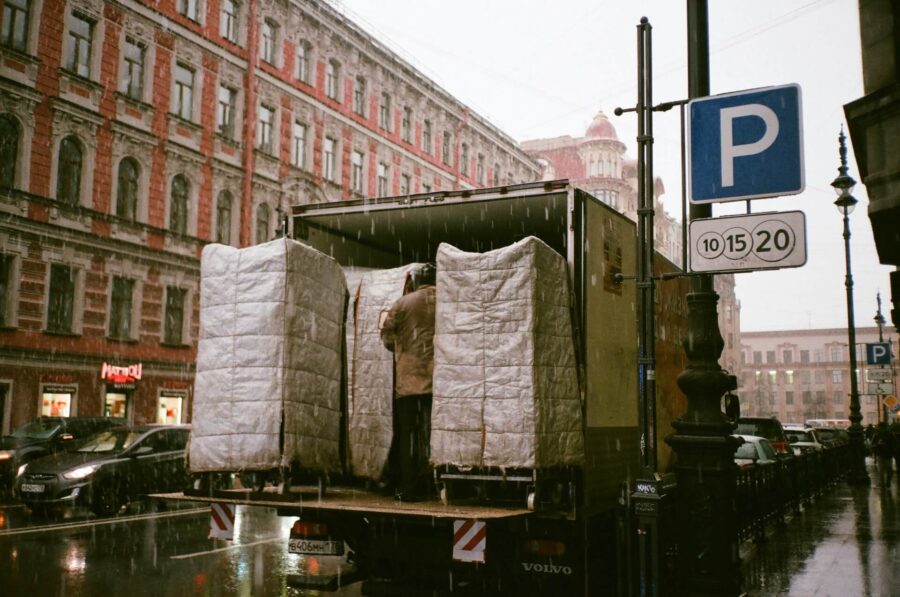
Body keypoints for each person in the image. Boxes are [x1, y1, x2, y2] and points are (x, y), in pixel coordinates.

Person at [380, 264, 436, 502]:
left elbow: (386, 335)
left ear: (414, 281)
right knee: (434, 436)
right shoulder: (448, 301)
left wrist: (402, 348)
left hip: (409, 381)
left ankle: (409, 488)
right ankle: (436, 484)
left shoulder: (403, 303)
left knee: (408, 437)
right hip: (440, 382)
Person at [871, 422, 896, 488]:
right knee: (882, 470)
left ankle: (887, 482)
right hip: (882, 455)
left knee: (888, 470)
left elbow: (894, 444)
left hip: (887, 455)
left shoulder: (890, 435)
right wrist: (877, 445)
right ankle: (883, 484)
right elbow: (873, 445)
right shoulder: (877, 435)